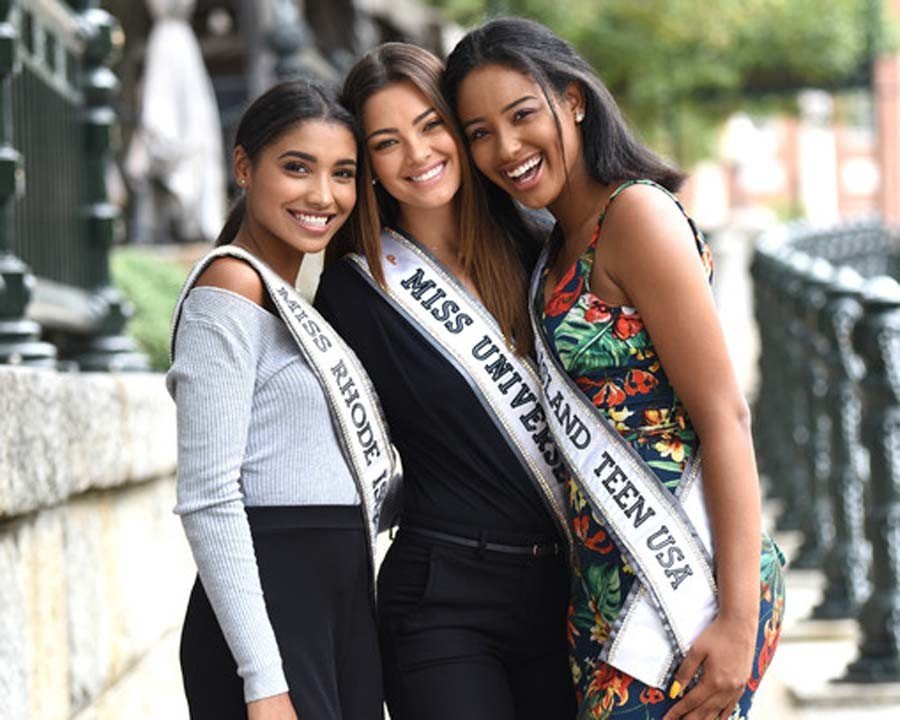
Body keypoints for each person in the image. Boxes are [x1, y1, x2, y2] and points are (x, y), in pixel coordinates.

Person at [445, 17, 785, 720]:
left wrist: (737, 623)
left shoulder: (635, 218)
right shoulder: (553, 249)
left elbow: (726, 418)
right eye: (479, 132)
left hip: (687, 588)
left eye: (522, 114)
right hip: (607, 599)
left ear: (573, 100)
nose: (506, 148)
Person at [314, 43, 577, 720]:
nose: (417, 154)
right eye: (386, 142)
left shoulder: (540, 246)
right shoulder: (355, 292)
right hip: (442, 601)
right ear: (368, 164)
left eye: (431, 125)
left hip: (568, 592)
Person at [167, 79, 390, 720]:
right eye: (297, 167)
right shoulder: (229, 287)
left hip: (337, 602)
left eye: (343, 174)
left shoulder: (289, 302)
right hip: (271, 609)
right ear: (244, 167)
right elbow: (209, 496)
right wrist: (263, 681)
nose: (323, 195)